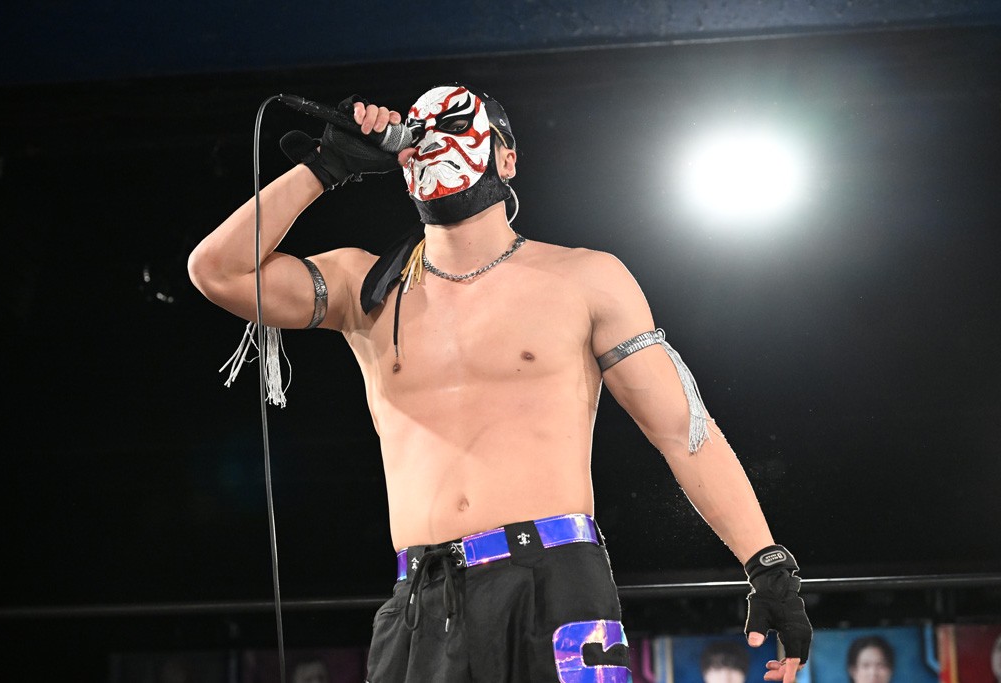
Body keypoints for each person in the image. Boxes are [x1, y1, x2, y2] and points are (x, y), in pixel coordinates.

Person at [188, 84, 812, 683]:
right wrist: (323, 169)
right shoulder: (365, 287)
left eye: (457, 125)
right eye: (423, 131)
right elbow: (217, 272)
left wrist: (767, 564)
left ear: (507, 158)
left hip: (552, 581)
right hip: (423, 598)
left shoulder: (585, 278)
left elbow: (682, 432)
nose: (436, 140)